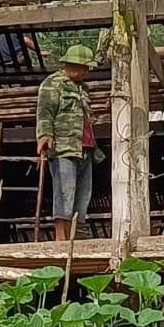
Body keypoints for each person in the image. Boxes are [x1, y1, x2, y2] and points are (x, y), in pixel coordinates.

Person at [36, 34, 108, 241]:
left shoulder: (82, 88)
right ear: (74, 65)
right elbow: (44, 113)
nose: (87, 71)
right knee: (64, 193)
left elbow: (86, 116)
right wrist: (44, 136)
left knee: (82, 196)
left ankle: (74, 238)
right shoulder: (52, 84)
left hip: (84, 147)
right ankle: (61, 240)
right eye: (85, 67)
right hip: (64, 147)